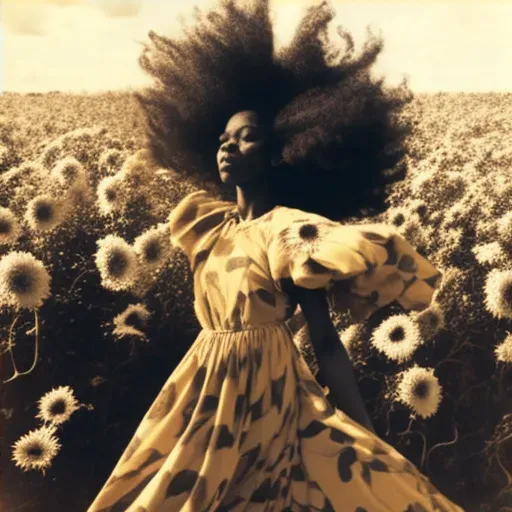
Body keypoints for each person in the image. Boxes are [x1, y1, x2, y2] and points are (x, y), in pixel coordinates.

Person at [88, 1, 465, 510]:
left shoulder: (288, 229)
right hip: (205, 391)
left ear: (284, 149)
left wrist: (369, 438)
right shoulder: (206, 225)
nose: (228, 147)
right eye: (222, 139)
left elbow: (327, 344)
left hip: (268, 396)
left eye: (248, 138)